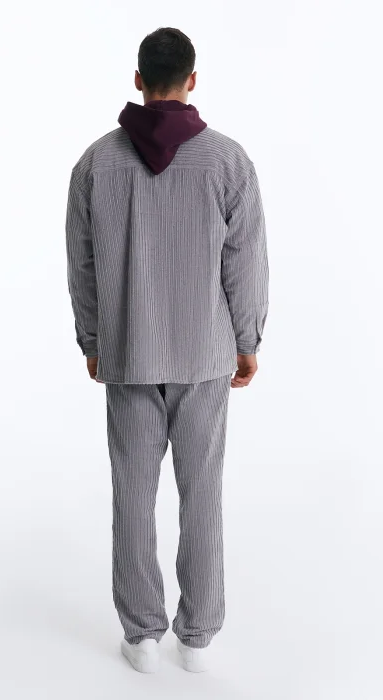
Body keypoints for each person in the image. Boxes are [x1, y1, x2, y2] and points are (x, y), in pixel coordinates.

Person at [65, 26, 269, 674]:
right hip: (205, 354)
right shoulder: (229, 162)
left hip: (128, 353)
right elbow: (246, 263)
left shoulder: (96, 164)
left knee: (132, 494)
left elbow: (82, 263)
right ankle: (198, 637)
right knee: (202, 494)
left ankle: (141, 636)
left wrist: (93, 339)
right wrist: (247, 340)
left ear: (137, 80)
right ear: (192, 80)